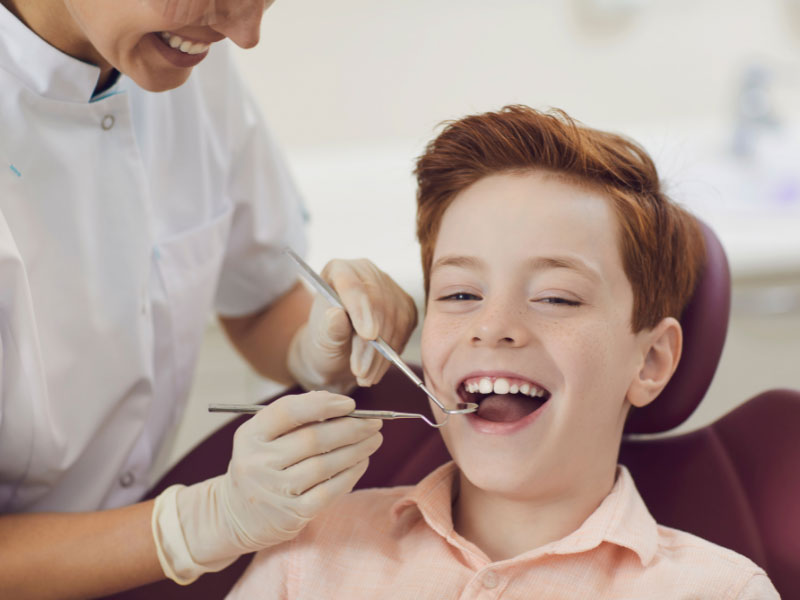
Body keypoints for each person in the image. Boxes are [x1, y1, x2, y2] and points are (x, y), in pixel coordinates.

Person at [224, 106, 780, 599]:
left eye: (556, 298)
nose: (493, 327)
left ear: (651, 360)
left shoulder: (720, 591)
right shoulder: (316, 548)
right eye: (461, 294)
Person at [0, 0, 418, 597]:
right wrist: (195, 526)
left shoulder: (179, 55)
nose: (245, 36)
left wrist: (320, 338)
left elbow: (260, 302)